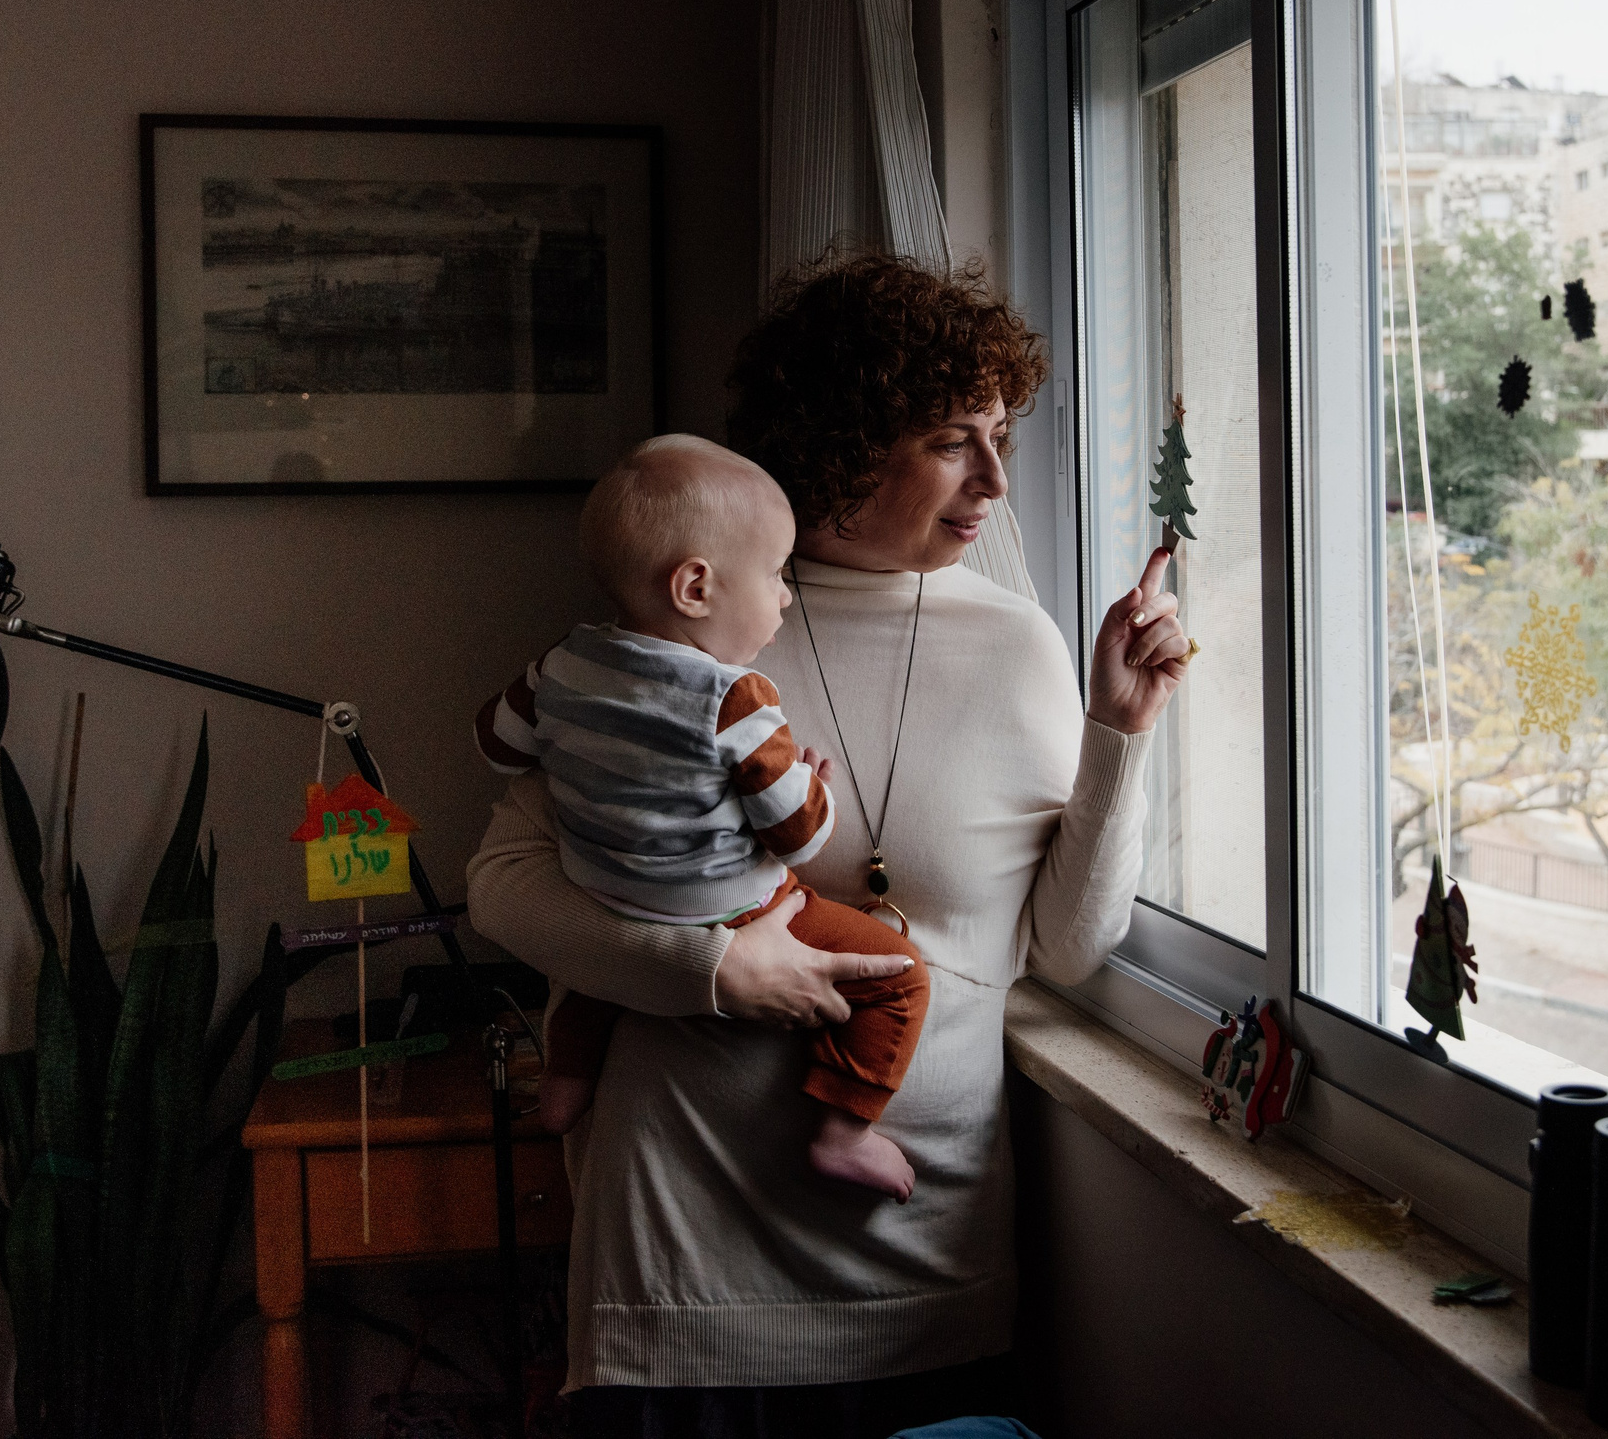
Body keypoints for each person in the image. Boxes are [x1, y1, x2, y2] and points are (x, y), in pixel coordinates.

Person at [466, 251, 1189, 1439]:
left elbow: (1066, 947)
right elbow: (500, 882)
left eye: (1001, 435)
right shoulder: (685, 623)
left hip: (923, 1255)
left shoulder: (1019, 645)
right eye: (955, 438)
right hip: (679, 1260)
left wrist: (1119, 733)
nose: (995, 478)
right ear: (848, 439)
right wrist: (709, 969)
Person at [472, 435, 931, 1199]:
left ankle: (563, 1087)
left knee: (589, 983)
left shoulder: (560, 663)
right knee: (902, 978)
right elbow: (803, 837)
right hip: (731, 910)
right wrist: (814, 787)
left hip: (604, 899)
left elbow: (496, 744)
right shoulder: (736, 698)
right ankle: (846, 1129)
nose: (785, 594)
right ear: (695, 587)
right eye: (776, 575)